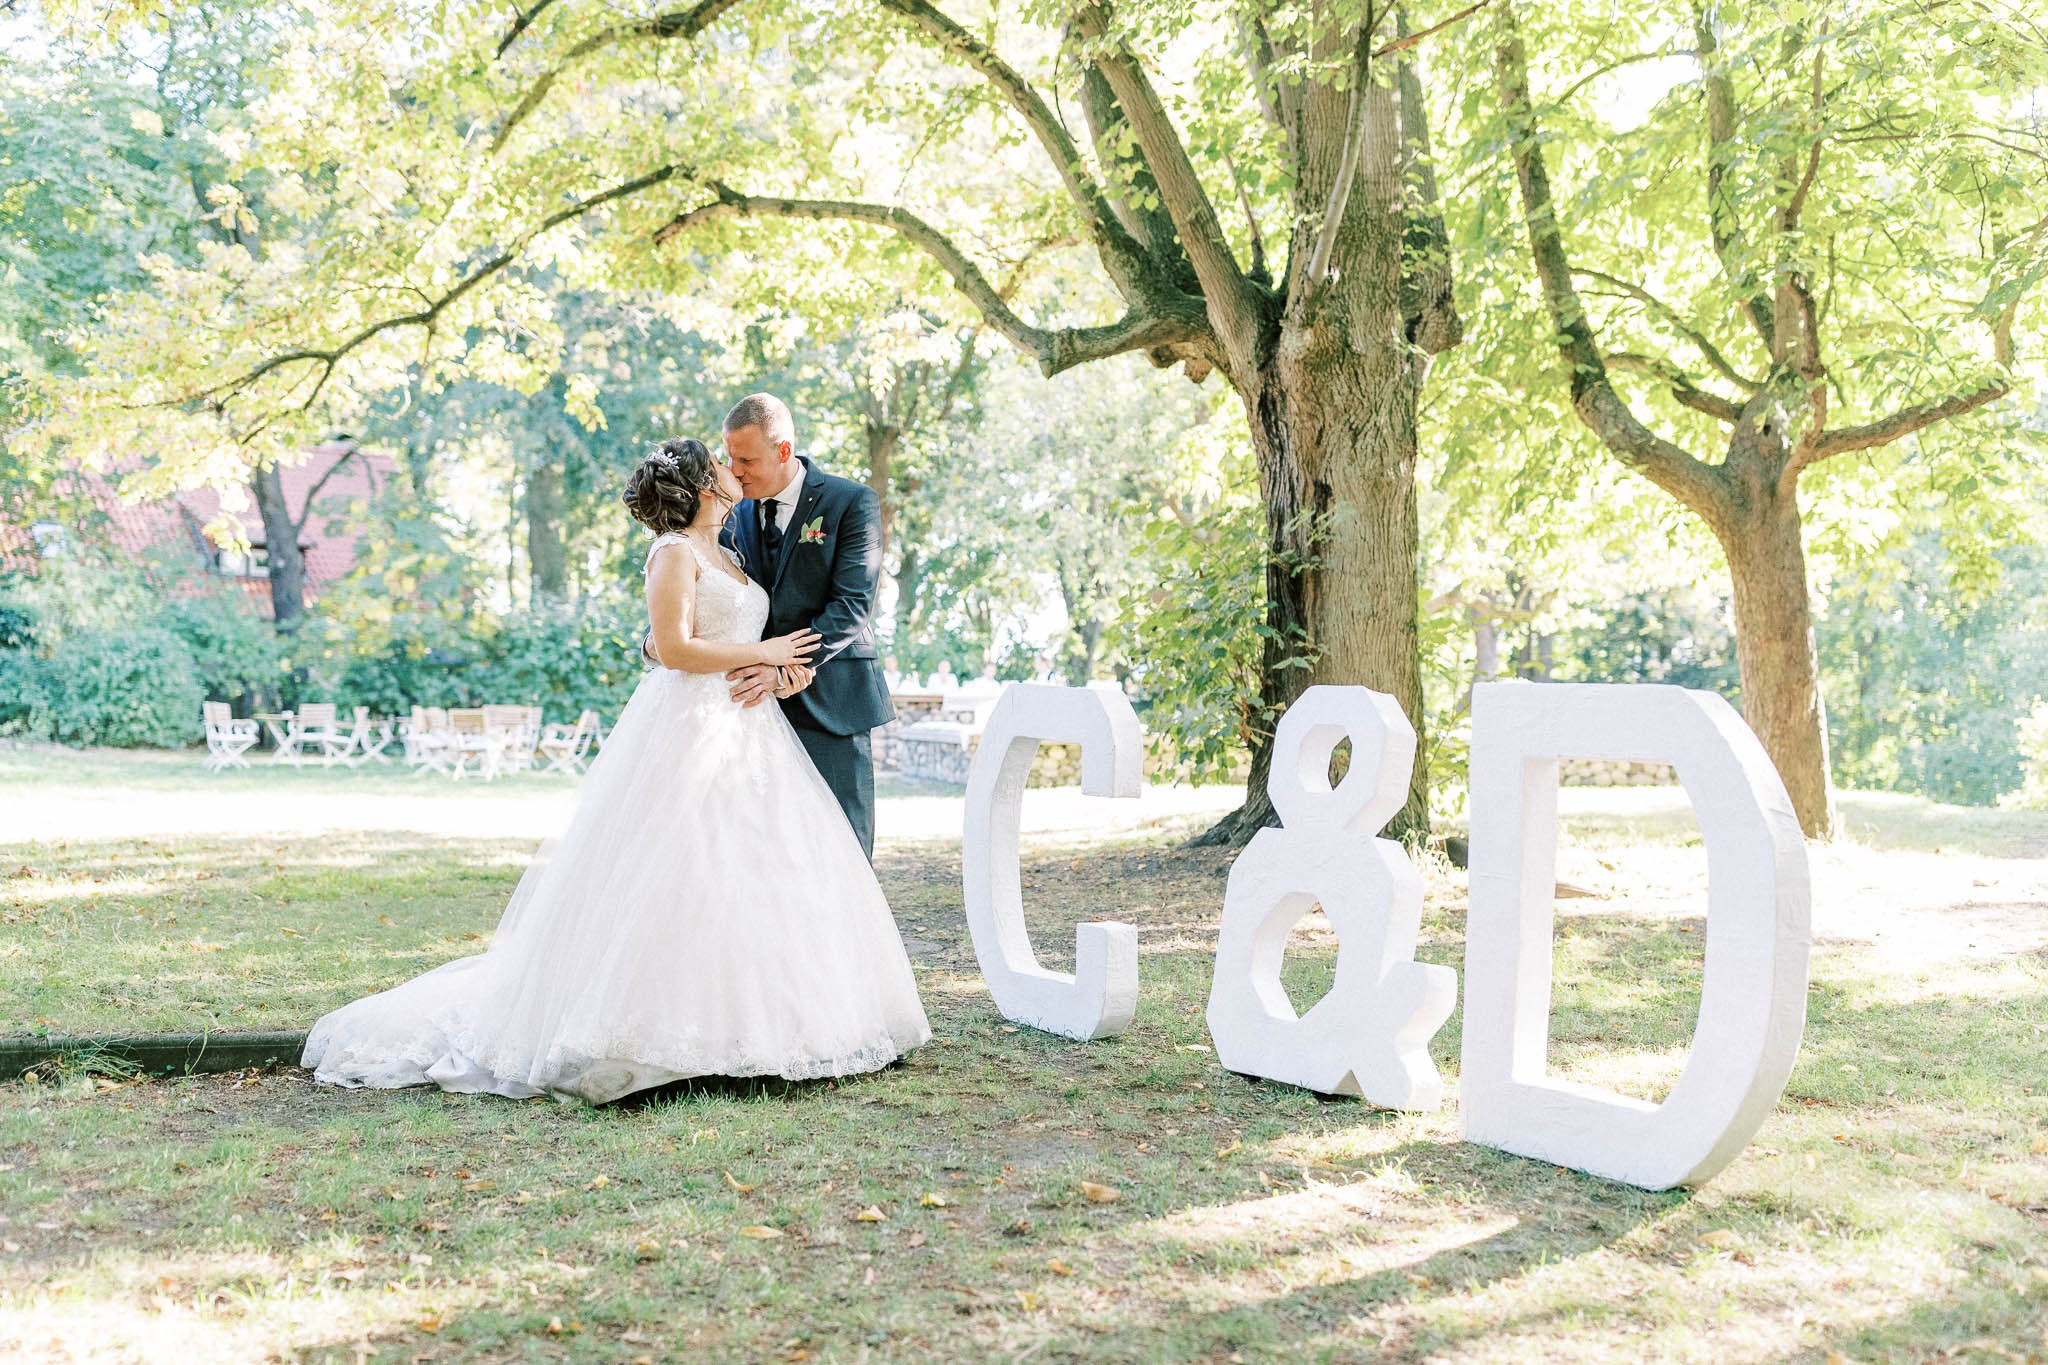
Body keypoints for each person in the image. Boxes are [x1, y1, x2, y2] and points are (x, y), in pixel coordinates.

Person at [301, 439, 930, 1103]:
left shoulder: (732, 545)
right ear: (701, 486)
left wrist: (774, 661)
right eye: (721, 462)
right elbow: (673, 644)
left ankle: (761, 1028)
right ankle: (653, 1037)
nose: (731, 468)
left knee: (753, 871)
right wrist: (762, 649)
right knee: (677, 869)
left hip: (750, 730)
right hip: (689, 724)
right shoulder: (675, 550)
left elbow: (710, 628)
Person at [716, 394, 897, 860]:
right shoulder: (732, 513)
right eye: (730, 458)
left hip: (832, 700)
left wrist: (785, 669)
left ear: (783, 450)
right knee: (768, 851)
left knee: (843, 850)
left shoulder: (850, 502)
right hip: (752, 707)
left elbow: (852, 604)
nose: (734, 471)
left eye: (746, 460)